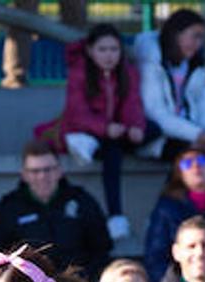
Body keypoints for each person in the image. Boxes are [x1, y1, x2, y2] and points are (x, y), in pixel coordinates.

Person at [38, 24, 148, 240]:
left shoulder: (128, 72)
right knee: (112, 152)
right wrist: (106, 128)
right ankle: (115, 216)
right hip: (93, 131)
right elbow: (76, 112)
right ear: (90, 50)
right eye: (102, 49)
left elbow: (132, 104)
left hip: (118, 131)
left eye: (114, 49)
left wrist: (136, 126)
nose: (109, 56)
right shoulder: (79, 71)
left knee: (152, 130)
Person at [0, 140, 112, 275]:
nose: (42, 176)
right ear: (24, 174)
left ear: (59, 171)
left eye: (48, 169)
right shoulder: (8, 209)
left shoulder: (82, 202)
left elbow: (101, 250)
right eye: (35, 171)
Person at [143, 147, 205, 282]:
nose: (196, 166)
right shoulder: (165, 209)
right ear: (179, 173)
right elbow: (156, 257)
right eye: (187, 163)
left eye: (202, 160)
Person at [134, 10, 205, 163]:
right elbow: (154, 112)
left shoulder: (196, 67)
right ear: (175, 34)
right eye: (195, 36)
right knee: (196, 158)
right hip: (160, 138)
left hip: (192, 134)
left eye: (201, 38)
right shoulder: (151, 63)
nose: (198, 44)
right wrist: (197, 135)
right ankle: (176, 187)